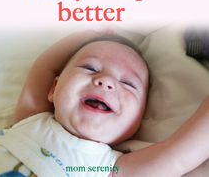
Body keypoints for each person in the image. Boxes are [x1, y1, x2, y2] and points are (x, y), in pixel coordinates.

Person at [12, 30, 209, 176]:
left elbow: (179, 154)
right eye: (90, 68)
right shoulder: (30, 121)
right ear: (53, 89)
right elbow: (44, 66)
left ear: (138, 120)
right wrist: (94, 31)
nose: (107, 81)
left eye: (128, 84)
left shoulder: (109, 168)